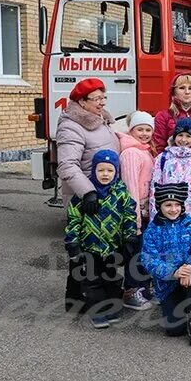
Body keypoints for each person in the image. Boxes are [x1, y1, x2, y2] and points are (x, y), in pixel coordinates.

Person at [55, 77, 120, 312]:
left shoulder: (99, 120)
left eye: (104, 97)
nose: (102, 102)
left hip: (104, 193)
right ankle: (78, 297)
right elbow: (68, 165)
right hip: (86, 197)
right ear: (82, 102)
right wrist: (88, 193)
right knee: (85, 249)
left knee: (98, 247)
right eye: (97, 99)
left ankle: (83, 297)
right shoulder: (72, 126)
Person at [64, 149, 136, 328]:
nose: (105, 174)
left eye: (110, 170)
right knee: (92, 281)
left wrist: (130, 236)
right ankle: (98, 312)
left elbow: (129, 215)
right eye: (101, 170)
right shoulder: (85, 194)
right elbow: (74, 218)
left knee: (111, 278)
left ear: (116, 172)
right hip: (90, 246)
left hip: (112, 246)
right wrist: (72, 242)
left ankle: (112, 307)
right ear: (94, 170)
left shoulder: (121, 193)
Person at [140, 183, 191, 346]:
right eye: (168, 205)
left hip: (189, 276)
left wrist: (190, 266)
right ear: (160, 206)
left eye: (177, 205)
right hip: (168, 281)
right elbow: (148, 259)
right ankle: (174, 305)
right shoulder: (152, 230)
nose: (173, 209)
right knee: (174, 330)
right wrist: (173, 272)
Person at [117, 110, 157, 311]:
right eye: (140, 129)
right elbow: (130, 185)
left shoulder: (144, 150)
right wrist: (133, 218)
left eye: (148, 129)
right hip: (135, 212)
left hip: (146, 211)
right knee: (134, 252)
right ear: (131, 130)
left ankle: (144, 287)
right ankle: (131, 290)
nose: (144, 133)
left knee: (144, 251)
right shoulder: (131, 153)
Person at [149, 118, 191, 233]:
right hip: (167, 214)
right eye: (180, 135)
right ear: (175, 136)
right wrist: (154, 218)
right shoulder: (164, 158)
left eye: (188, 136)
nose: (184, 140)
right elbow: (155, 188)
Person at [153, 74, 191, 153]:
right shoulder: (163, 116)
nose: (187, 92)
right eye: (182, 88)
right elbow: (159, 146)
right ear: (174, 91)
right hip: (171, 162)